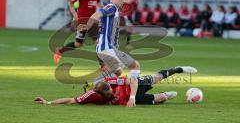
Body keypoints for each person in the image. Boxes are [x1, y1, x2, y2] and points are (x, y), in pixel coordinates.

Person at [34, 66, 197, 106]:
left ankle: (179, 69)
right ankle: (166, 95)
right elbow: (71, 100)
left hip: (132, 89)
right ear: (101, 94)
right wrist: (48, 102)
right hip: (130, 99)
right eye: (110, 94)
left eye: (112, 91)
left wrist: (132, 97)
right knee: (161, 98)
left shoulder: (113, 81)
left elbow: (132, 80)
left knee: (156, 77)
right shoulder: (91, 95)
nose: (112, 93)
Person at [53, 0, 101, 64]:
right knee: (78, 44)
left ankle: (103, 66)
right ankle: (60, 51)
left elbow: (99, 3)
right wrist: (74, 14)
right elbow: (70, 2)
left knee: (99, 42)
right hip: (82, 21)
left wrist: (106, 10)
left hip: (93, 21)